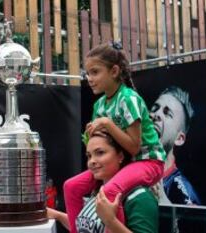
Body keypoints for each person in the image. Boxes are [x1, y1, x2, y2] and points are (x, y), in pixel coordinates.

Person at [64, 42, 166, 233]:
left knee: (110, 191)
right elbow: (101, 141)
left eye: (95, 72)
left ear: (114, 71)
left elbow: (134, 147)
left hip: (147, 162)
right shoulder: (99, 105)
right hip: (125, 163)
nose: (90, 79)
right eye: (87, 74)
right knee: (71, 186)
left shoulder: (129, 99)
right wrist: (91, 134)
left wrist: (107, 124)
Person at [50, 132, 158, 233]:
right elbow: (87, 227)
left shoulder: (140, 197)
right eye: (89, 156)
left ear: (120, 156)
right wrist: (57, 215)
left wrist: (111, 221)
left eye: (100, 153)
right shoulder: (97, 190)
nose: (92, 161)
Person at [150, 86, 201, 205]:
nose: (156, 114)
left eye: (167, 114)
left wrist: (165, 205)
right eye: (154, 108)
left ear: (179, 139)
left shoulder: (183, 193)